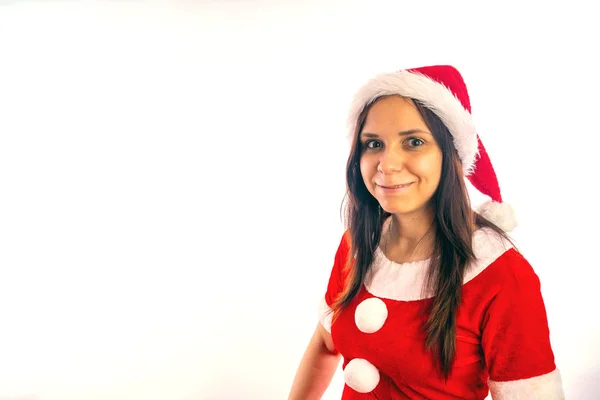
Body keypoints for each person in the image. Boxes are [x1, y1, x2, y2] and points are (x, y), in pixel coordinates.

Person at [288, 65, 564, 399]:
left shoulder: (500, 273)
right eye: (373, 143)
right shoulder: (357, 245)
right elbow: (325, 342)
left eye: (414, 142)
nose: (387, 164)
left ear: (453, 156)